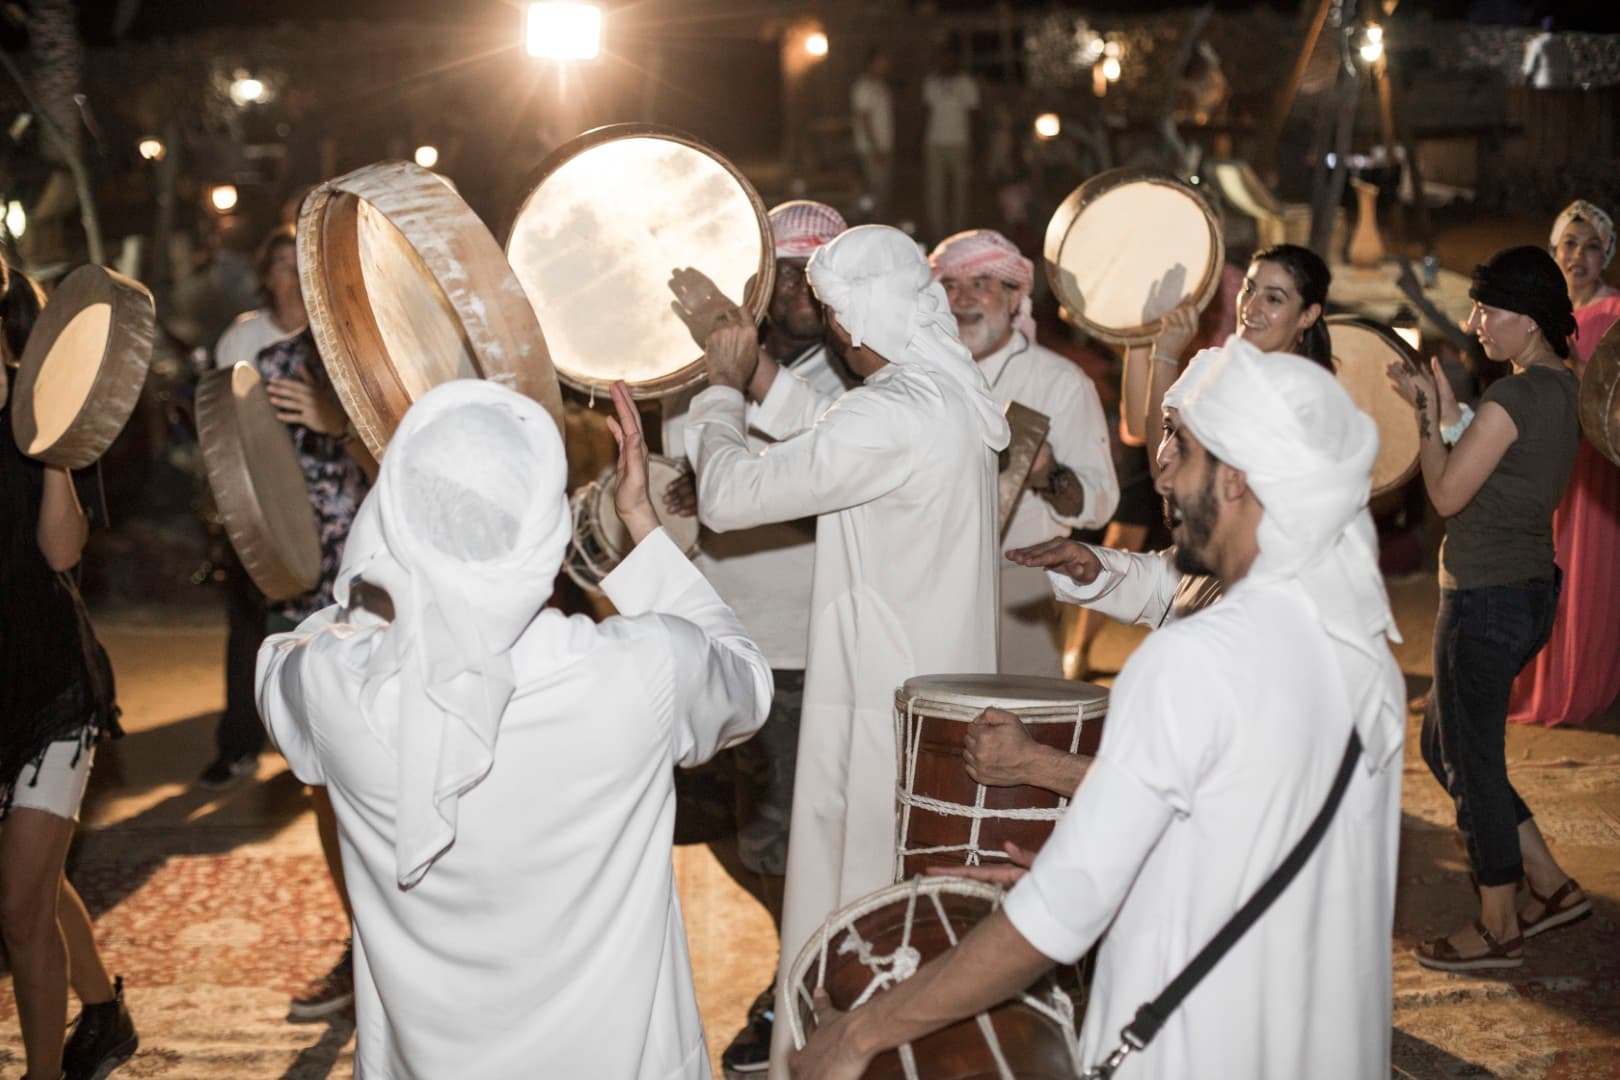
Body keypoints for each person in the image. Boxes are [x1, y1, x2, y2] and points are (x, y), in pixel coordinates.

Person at [793, 336, 1406, 1080]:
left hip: (1195, 1049)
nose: (1169, 479)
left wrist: (858, 1035)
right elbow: (1254, 836)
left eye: (1189, 453)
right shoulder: (1363, 652)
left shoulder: (1194, 660)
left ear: (1240, 479)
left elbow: (1059, 916)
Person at [257, 379, 771, 1078]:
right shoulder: (641, 672)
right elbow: (746, 678)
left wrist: (388, 569)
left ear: (394, 516)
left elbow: (293, 652)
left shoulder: (336, 686)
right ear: (549, 528)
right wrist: (640, 525)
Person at [672, 224, 1007, 1079]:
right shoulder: (937, 390)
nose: (831, 331)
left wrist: (717, 394)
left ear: (857, 320)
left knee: (856, 904)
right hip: (925, 694)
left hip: (877, 705)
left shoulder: (893, 411)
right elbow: (832, 428)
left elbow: (731, 495)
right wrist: (746, 363)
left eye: (830, 314)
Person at [659, 199, 851, 1074]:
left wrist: (736, 400)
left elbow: (819, 463)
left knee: (777, 835)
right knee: (712, 829)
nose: (803, 288)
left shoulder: (863, 377)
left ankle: (795, 980)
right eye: (789, 270)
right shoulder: (709, 370)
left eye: (820, 270)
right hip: (710, 636)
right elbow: (678, 482)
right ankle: (798, 955)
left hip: (801, 646)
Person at [1388, 246, 1590, 972]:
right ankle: (1550, 882)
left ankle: (1499, 922)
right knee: (1447, 746)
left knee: (1470, 760)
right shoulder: (1559, 389)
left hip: (1484, 597)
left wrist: (1419, 419)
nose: (1474, 323)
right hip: (1526, 589)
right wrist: (1444, 410)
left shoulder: (1513, 399)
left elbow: (1445, 495)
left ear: (1531, 320)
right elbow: (1485, 460)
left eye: (1488, 310)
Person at [212, 224, 372, 1021]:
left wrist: (340, 422)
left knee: (396, 784)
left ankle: (413, 949)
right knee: (323, 785)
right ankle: (361, 948)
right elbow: (247, 475)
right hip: (307, 596)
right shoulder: (267, 365)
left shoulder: (379, 352)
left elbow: (428, 452)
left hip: (390, 596)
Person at [1, 265, 137, 1080]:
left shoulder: (41, 401)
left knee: (19, 908)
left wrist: (51, 446)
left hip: (53, 689)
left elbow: (61, 553)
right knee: (36, 883)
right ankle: (104, 1014)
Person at [928, 229, 1117, 676]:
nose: (961, 300)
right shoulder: (917, 375)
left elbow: (1097, 504)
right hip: (922, 584)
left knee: (1021, 727)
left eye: (981, 284)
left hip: (1017, 589)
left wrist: (1049, 473)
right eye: (949, 286)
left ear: (1016, 298)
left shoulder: (1059, 383)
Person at [201, 225, 316, 788]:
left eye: (300, 265)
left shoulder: (330, 337)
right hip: (255, 501)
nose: (290, 277)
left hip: (328, 505)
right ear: (265, 275)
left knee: (326, 627)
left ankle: (320, 750)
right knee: (247, 625)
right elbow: (218, 425)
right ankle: (239, 744)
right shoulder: (241, 338)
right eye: (280, 266)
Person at [1506, 201, 1620, 729]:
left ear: (1607, 257)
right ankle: (1533, 682)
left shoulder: (1616, 314)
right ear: (1554, 251)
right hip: (1549, 460)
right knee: (1538, 569)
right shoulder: (1546, 311)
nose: (1578, 256)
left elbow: (1603, 396)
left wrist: (1568, 360)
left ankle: (1578, 687)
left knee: (1583, 576)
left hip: (1595, 467)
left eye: (1591, 246)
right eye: (1569, 245)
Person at [921, 51, 979, 240]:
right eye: (942, 58)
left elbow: (974, 113)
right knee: (935, 190)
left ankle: (958, 233)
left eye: (949, 58)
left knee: (960, 190)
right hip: (934, 142)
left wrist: (975, 143)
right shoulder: (931, 82)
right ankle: (938, 234)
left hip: (959, 142)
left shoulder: (966, 83)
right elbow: (926, 112)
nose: (945, 62)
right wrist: (921, 139)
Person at [850, 50, 894, 217]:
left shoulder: (882, 86)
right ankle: (871, 225)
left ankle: (880, 223)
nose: (885, 67)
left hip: (885, 145)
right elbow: (864, 119)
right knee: (875, 190)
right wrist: (875, 148)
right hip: (872, 148)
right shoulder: (863, 87)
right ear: (871, 64)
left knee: (882, 190)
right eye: (881, 63)